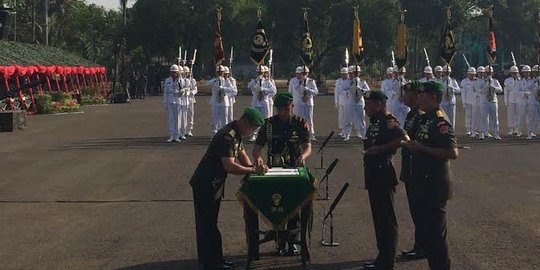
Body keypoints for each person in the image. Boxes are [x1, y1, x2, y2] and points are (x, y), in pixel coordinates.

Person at [190, 107, 269, 270]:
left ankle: (214, 260)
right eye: (253, 127)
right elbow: (230, 166)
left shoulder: (236, 133)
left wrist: (253, 165)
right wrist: (253, 170)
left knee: (210, 222)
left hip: (214, 182)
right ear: (245, 122)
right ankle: (210, 262)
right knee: (207, 224)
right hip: (206, 182)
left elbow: (241, 153)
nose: (253, 131)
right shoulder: (227, 136)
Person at [403, 81, 459, 270]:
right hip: (423, 183)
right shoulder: (423, 118)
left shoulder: (439, 120)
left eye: (422, 94)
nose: (419, 98)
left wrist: (422, 148)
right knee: (429, 235)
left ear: (433, 97)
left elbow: (452, 152)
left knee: (436, 237)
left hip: (435, 185)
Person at [252, 92, 312, 255]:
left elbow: (307, 146)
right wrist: (257, 159)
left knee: (294, 205)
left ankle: (293, 241)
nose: (283, 113)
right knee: (276, 205)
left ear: (292, 107)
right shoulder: (269, 124)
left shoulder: (300, 123)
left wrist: (303, 156)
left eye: (286, 109)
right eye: (279, 109)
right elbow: (257, 147)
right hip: (273, 170)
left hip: (294, 169)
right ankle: (279, 242)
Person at [362, 90, 407, 270]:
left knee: (386, 218)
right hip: (373, 173)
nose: (365, 107)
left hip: (383, 173)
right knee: (379, 217)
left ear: (379, 105)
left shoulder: (388, 121)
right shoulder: (375, 121)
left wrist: (381, 149)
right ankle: (382, 257)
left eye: (369, 104)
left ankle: (387, 260)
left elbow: (404, 138)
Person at [399, 81, 427, 260]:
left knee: (421, 210)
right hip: (409, 169)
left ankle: (424, 247)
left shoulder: (423, 116)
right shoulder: (411, 114)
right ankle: (420, 245)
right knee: (415, 210)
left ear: (417, 95)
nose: (404, 97)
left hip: (419, 170)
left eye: (407, 93)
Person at [289, 66, 319, 140]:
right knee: (297, 120)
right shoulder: (293, 81)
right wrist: (300, 85)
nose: (303, 75)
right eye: (302, 73)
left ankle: (311, 134)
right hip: (298, 103)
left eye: (305, 73)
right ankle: (298, 134)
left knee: (309, 119)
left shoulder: (311, 81)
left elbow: (315, 92)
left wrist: (307, 89)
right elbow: (291, 92)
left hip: (308, 103)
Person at [248, 65, 277, 141]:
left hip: (264, 102)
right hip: (256, 102)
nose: (260, 74)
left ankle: (266, 134)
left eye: (261, 72)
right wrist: (255, 81)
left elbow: (273, 91)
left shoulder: (268, 81)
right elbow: (248, 86)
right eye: (258, 72)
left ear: (264, 73)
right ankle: (254, 134)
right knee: (255, 119)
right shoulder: (254, 80)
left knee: (266, 119)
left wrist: (264, 90)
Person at [163, 64, 190, 142]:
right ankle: (171, 135)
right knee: (170, 119)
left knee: (178, 119)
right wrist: (165, 102)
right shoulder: (167, 80)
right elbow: (165, 92)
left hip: (178, 101)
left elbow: (186, 89)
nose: (173, 74)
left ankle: (177, 135)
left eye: (175, 72)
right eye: (172, 72)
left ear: (178, 73)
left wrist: (184, 92)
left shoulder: (181, 80)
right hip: (170, 101)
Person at [343, 65, 369, 141]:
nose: (356, 74)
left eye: (357, 72)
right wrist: (350, 85)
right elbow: (343, 89)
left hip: (360, 100)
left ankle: (363, 134)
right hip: (351, 100)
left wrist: (360, 89)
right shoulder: (349, 81)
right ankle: (346, 134)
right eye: (354, 72)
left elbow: (367, 90)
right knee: (348, 118)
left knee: (361, 118)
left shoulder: (362, 81)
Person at [477, 66, 503, 140]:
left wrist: (493, 87)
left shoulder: (495, 81)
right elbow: (479, 91)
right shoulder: (480, 81)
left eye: (490, 73)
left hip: (493, 100)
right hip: (484, 101)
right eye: (487, 72)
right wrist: (486, 86)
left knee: (495, 117)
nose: (489, 74)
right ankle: (482, 133)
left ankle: (496, 133)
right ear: (485, 72)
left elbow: (500, 90)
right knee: (483, 117)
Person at [208, 65, 235, 136]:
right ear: (216, 73)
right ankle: (214, 134)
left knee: (224, 119)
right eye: (219, 72)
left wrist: (223, 88)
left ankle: (224, 134)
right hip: (215, 101)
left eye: (222, 72)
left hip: (224, 101)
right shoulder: (215, 80)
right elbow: (208, 84)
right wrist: (216, 80)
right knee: (215, 119)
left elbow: (232, 89)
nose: (220, 73)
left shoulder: (227, 81)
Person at [503, 66, 521, 136]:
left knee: (518, 115)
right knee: (510, 115)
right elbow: (506, 91)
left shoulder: (520, 80)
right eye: (513, 73)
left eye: (515, 73)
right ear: (511, 73)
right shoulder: (507, 80)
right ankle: (511, 129)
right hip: (510, 99)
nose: (514, 74)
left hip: (518, 99)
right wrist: (505, 100)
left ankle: (517, 129)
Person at [460, 67, 477, 135]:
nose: (471, 75)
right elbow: (463, 93)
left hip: (476, 101)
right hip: (468, 101)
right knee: (468, 116)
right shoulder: (464, 81)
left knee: (475, 116)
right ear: (468, 74)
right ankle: (468, 129)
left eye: (473, 74)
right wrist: (463, 102)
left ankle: (474, 130)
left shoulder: (477, 81)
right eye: (470, 74)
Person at [335, 67, 351, 137]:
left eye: (345, 74)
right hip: (341, 101)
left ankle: (347, 132)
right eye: (342, 74)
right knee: (341, 117)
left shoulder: (350, 81)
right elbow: (336, 92)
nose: (344, 75)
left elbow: (351, 90)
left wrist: (346, 92)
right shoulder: (338, 81)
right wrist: (336, 102)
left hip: (348, 101)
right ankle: (342, 131)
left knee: (347, 117)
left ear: (347, 74)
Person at [184, 66, 198, 137]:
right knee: (184, 116)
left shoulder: (192, 80)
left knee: (190, 115)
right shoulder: (182, 80)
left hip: (190, 100)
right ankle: (183, 130)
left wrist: (191, 92)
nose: (185, 74)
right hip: (183, 100)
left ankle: (189, 130)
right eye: (184, 73)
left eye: (186, 73)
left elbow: (195, 89)